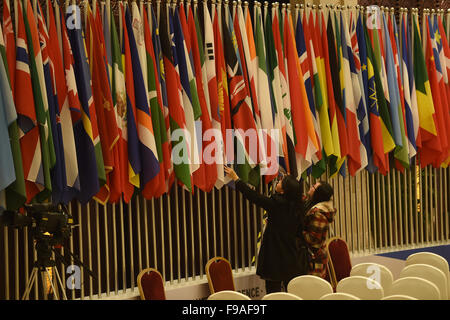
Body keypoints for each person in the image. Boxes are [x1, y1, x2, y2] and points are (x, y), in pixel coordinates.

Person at [224, 166, 305, 294]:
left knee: (273, 294)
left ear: (284, 191)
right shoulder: (299, 207)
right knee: (293, 293)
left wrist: (236, 179)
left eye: (280, 183)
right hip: (291, 257)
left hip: (274, 257)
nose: (277, 182)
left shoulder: (276, 204)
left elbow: (253, 196)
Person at [301, 181, 336, 278]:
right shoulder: (312, 205)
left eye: (314, 187)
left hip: (314, 260)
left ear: (318, 194)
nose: (311, 187)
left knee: (311, 291)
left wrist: (296, 230)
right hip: (310, 258)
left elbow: (312, 239)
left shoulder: (319, 213)